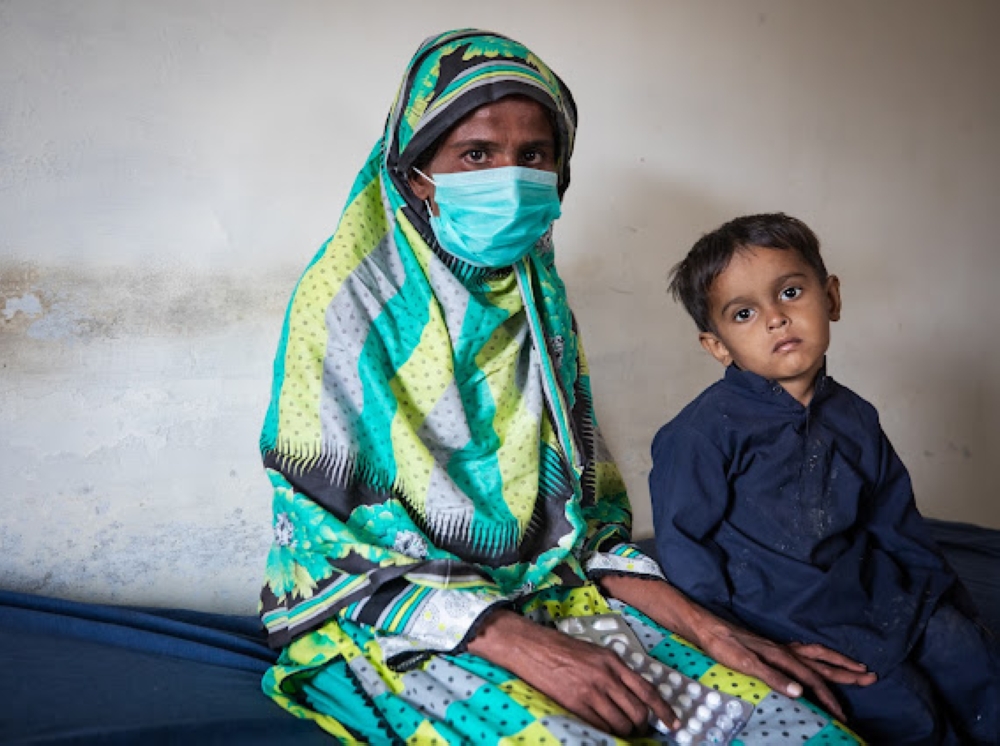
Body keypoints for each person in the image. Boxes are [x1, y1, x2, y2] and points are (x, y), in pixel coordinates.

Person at [258, 32, 873, 744]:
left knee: (795, 727)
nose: (510, 177)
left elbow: (580, 527)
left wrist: (712, 631)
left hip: (548, 587)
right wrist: (526, 646)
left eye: (535, 156)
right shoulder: (344, 305)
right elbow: (327, 533)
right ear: (418, 171)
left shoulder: (539, 302)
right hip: (391, 615)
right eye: (477, 154)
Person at [650, 213, 1000, 744]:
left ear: (831, 298)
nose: (775, 319)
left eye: (790, 292)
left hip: (869, 589)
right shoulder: (702, 433)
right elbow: (684, 548)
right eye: (744, 313)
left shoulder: (855, 416)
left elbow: (895, 520)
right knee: (904, 709)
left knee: (969, 656)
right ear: (718, 345)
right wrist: (742, 638)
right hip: (782, 613)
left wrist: (938, 596)